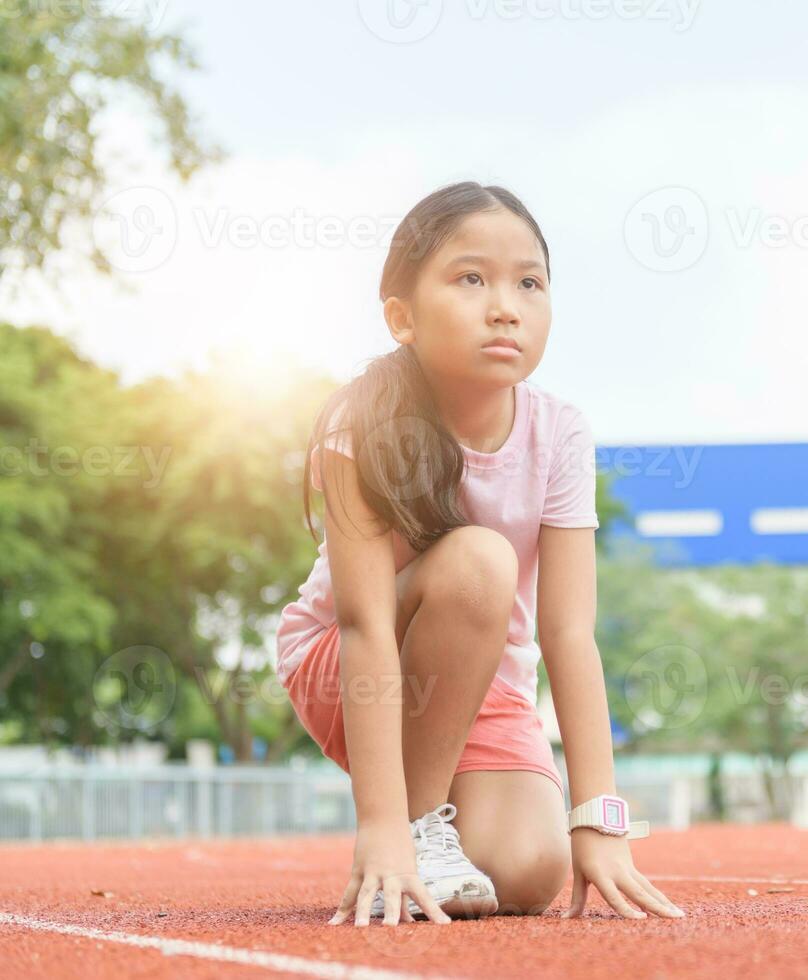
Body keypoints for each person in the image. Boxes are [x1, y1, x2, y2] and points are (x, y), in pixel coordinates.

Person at [274, 181, 684, 927]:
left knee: (527, 872)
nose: (506, 305)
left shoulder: (559, 433)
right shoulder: (358, 424)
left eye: (529, 282)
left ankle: (434, 830)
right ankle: (419, 824)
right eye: (471, 279)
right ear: (401, 316)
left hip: (484, 678)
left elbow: (567, 633)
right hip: (347, 661)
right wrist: (384, 828)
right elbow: (365, 626)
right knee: (480, 562)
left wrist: (599, 819)